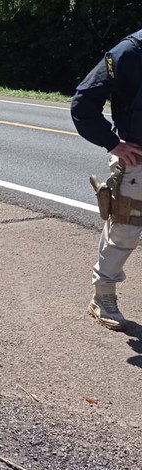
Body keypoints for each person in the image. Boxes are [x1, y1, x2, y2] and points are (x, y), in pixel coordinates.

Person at [72, 28, 142, 330]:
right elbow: (83, 103)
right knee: (125, 228)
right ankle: (103, 297)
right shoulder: (128, 52)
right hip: (136, 155)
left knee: (121, 226)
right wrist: (113, 143)